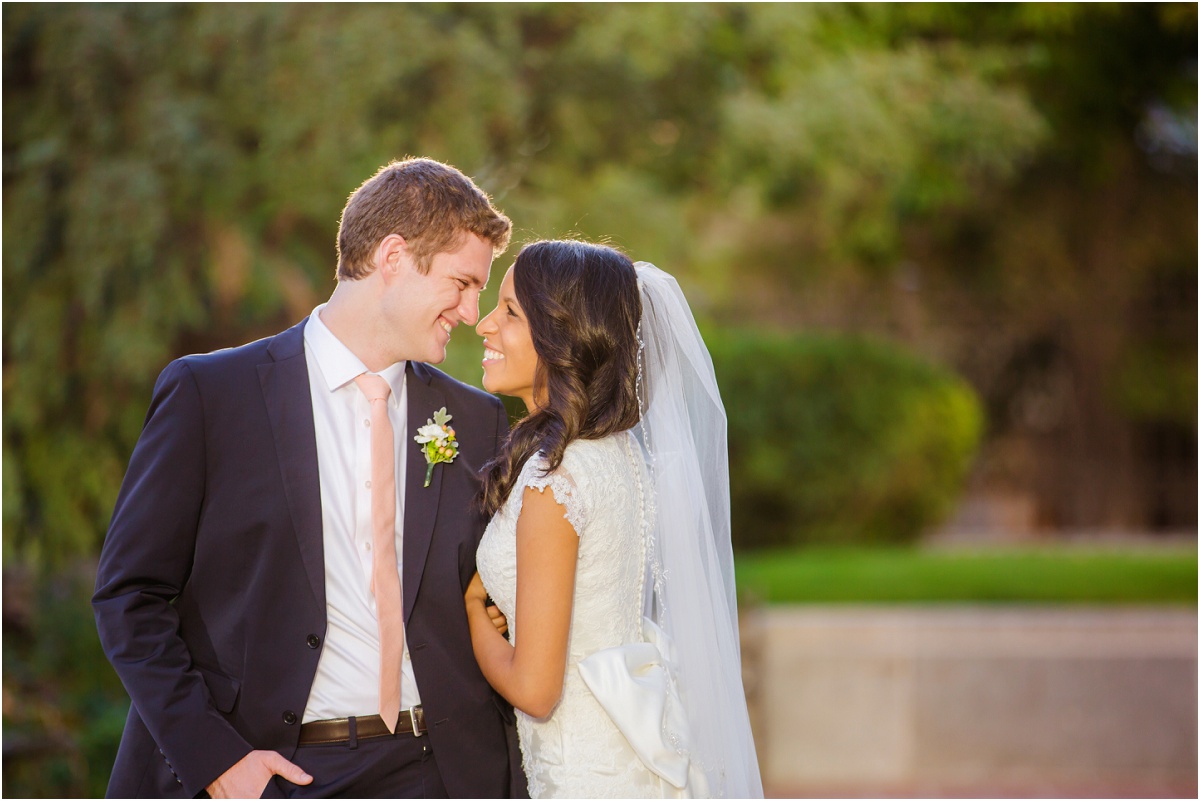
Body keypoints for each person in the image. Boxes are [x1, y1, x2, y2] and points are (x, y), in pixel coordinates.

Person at [92, 157, 527, 798]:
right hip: (275, 771)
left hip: (441, 772)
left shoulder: (478, 418)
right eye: (463, 283)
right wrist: (216, 760)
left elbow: (494, 602)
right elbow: (129, 597)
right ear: (394, 257)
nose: (471, 312)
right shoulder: (212, 396)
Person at [464, 240, 763, 798]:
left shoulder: (559, 480)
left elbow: (534, 689)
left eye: (508, 312)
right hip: (626, 756)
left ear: (561, 336)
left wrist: (475, 617)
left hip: (585, 774)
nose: (483, 324)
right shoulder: (619, 453)